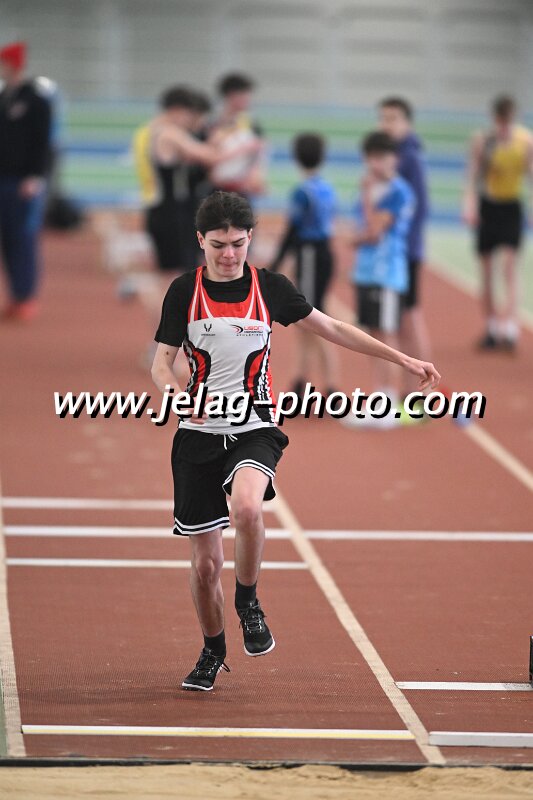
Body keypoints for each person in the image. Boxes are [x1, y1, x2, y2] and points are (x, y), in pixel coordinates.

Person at [151, 190, 439, 691]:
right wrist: (178, 397)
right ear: (200, 240)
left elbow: (334, 328)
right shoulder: (183, 292)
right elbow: (161, 364)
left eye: (238, 244)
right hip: (197, 435)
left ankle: (248, 603)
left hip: (254, 425)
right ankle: (213, 650)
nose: (228, 255)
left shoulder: (270, 288)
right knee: (205, 565)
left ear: (250, 238)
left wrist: (403, 359)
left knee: (247, 506)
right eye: (218, 245)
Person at [132, 85, 261, 365]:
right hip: (169, 214)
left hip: (161, 211)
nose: (192, 122)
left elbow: (197, 156)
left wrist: (217, 140)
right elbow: (210, 157)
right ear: (178, 111)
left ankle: (161, 348)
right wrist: (245, 147)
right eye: (191, 116)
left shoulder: (153, 130)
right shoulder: (169, 132)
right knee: (173, 285)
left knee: (170, 281)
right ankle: (164, 349)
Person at [343, 132, 415, 430]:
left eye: (383, 157)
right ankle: (379, 398)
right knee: (373, 336)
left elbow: (372, 231)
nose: (377, 164)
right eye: (372, 158)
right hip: (367, 272)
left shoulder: (397, 191)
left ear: (394, 159)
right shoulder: (372, 190)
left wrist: (356, 235)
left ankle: (388, 403)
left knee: (386, 337)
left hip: (387, 274)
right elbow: (360, 228)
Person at [270, 133, 339, 397]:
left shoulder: (302, 191)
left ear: (297, 157)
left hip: (310, 254)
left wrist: (276, 262)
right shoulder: (327, 187)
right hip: (323, 253)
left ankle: (329, 386)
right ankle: (301, 380)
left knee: (312, 319)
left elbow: (293, 230)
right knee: (307, 319)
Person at [463, 95, 533, 352]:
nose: (504, 126)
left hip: (511, 206)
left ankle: (510, 328)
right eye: (501, 121)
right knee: (486, 270)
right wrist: (469, 204)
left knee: (510, 267)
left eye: (508, 121)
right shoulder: (483, 140)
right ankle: (492, 327)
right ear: (495, 119)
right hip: (489, 206)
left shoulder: (525, 141)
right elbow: (472, 174)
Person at [379, 98, 431, 404]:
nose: (386, 124)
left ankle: (419, 393)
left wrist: (400, 247)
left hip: (404, 252)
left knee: (409, 318)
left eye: (393, 118)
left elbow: (419, 209)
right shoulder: (397, 155)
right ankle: (413, 391)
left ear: (407, 123)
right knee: (401, 320)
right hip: (398, 252)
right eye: (383, 118)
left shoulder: (409, 158)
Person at [0, 41, 51, 321]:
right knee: (7, 239)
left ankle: (26, 295)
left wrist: (34, 176)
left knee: (22, 238)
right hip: (3, 179)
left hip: (23, 183)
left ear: (14, 64)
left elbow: (43, 142)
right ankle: (15, 295)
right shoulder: (4, 97)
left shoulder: (36, 99)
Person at [208, 73, 266, 199]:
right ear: (231, 95)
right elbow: (209, 156)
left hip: (243, 189)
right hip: (218, 188)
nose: (248, 99)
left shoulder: (252, 124)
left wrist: (256, 175)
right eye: (244, 95)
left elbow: (259, 153)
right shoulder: (214, 123)